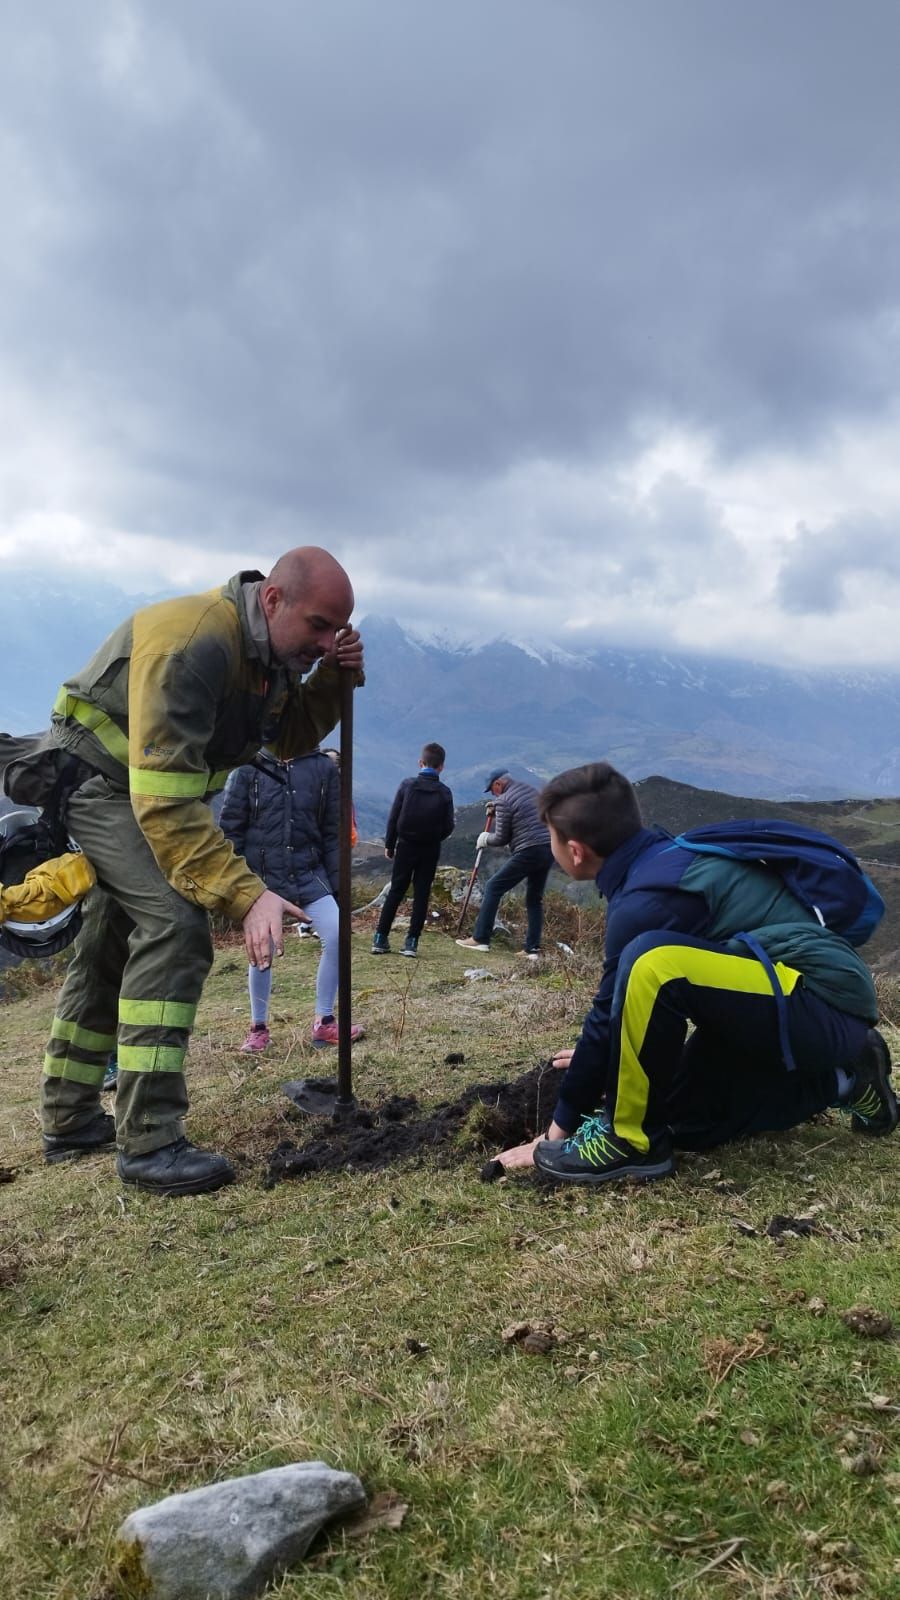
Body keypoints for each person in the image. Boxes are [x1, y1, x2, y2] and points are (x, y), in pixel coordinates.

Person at [38, 547, 363, 1196]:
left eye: (338, 632)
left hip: (142, 795)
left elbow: (288, 736)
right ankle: (151, 1142)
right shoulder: (193, 644)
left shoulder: (265, 656)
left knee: (108, 946)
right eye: (320, 626)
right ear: (273, 600)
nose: (327, 643)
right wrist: (248, 896)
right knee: (176, 925)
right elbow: (161, 804)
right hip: (103, 787)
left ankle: (70, 1120)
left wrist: (333, 680)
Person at [495, 761, 896, 1185]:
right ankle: (849, 1081)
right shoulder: (665, 857)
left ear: (575, 851)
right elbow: (638, 1008)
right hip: (785, 1001)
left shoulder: (646, 902)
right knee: (681, 1119)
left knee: (651, 961)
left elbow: (606, 1015)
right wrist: (620, 1054)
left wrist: (552, 1135)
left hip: (821, 1004)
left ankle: (629, 1142)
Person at [221, 748, 365, 1050]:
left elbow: (331, 832)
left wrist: (339, 889)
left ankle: (325, 1022)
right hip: (261, 883)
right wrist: (238, 891)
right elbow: (231, 831)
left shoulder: (322, 767)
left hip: (308, 876)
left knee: (338, 935)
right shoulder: (248, 765)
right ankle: (258, 1028)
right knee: (262, 952)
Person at [455, 768, 554, 959]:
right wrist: (497, 807)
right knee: (534, 898)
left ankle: (480, 939)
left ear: (499, 784)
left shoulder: (504, 800)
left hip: (529, 849)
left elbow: (500, 838)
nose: (493, 794)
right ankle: (532, 949)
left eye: (493, 790)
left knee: (494, 887)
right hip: (548, 847)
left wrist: (485, 838)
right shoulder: (529, 790)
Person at [372, 742, 454, 958]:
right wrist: (435, 838)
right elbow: (449, 826)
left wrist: (390, 845)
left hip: (406, 845)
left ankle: (380, 938)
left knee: (396, 890)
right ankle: (411, 942)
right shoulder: (444, 792)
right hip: (430, 848)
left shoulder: (407, 785)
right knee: (421, 893)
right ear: (441, 767)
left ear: (421, 763)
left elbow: (394, 817)